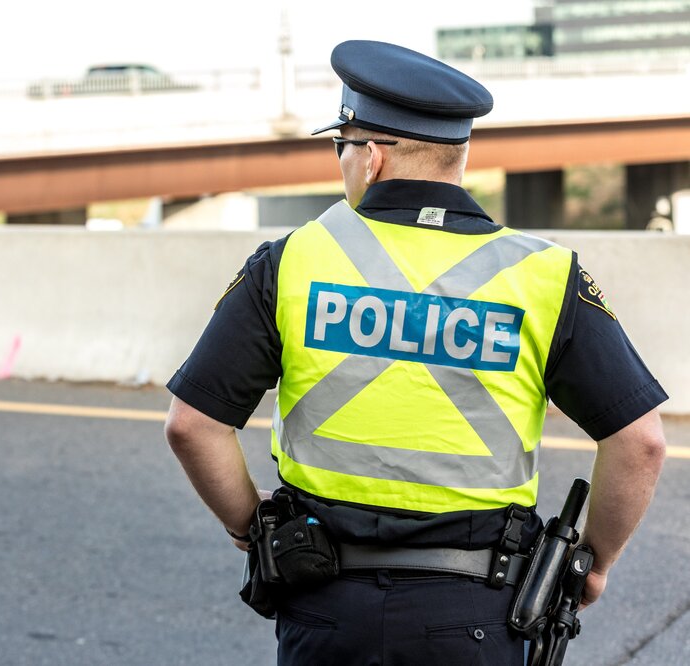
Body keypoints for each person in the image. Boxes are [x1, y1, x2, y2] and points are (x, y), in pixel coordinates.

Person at [164, 39, 667, 665]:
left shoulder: (290, 262)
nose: (341, 161)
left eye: (340, 145)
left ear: (371, 156)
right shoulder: (545, 275)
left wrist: (252, 529)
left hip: (325, 608)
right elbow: (640, 442)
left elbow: (192, 424)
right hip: (481, 616)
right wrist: (594, 560)